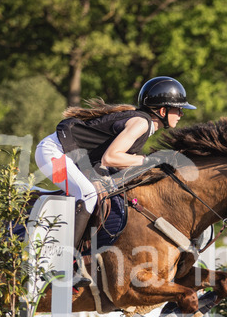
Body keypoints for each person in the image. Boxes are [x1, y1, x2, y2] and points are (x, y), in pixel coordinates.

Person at [34, 76, 196, 245]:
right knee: (88, 194)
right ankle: (65, 253)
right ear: (163, 111)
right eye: (178, 109)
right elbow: (110, 158)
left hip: (69, 156)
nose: (181, 114)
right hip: (52, 155)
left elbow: (114, 162)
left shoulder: (142, 123)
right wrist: (150, 160)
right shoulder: (142, 123)